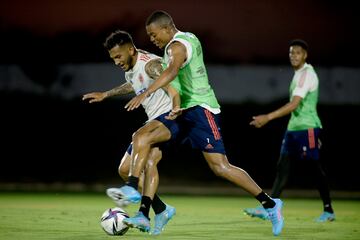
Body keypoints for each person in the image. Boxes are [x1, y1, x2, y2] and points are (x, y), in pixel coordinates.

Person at [121, 10, 284, 236]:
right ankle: (145, 208)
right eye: (149, 36)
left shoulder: (176, 47)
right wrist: (175, 102)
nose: (152, 39)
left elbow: (171, 71)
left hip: (200, 111)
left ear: (167, 28)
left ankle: (271, 205)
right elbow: (176, 81)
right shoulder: (186, 39)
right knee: (146, 144)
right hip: (181, 112)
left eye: (153, 34)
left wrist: (145, 92)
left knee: (220, 167)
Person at [82, 30, 180, 234]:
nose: (116, 61)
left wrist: (176, 107)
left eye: (118, 56)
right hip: (154, 119)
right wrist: (106, 94)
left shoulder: (150, 63)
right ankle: (161, 209)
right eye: (113, 58)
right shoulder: (131, 68)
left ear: (130, 49)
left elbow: (171, 81)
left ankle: (133, 190)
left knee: (142, 146)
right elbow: (134, 83)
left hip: (170, 117)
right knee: (125, 168)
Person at [244, 39, 335, 223]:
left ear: (305, 55)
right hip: (293, 129)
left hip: (307, 127)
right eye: (291, 52)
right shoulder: (298, 74)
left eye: (298, 52)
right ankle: (269, 207)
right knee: (282, 167)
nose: (294, 56)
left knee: (314, 169)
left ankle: (328, 210)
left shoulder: (306, 74)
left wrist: (267, 117)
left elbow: (294, 104)